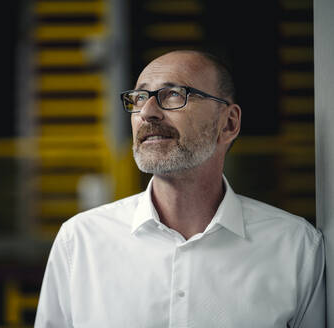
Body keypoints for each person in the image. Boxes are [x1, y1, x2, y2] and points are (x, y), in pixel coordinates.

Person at [34, 50, 325, 327]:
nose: (147, 112)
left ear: (229, 123)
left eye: (173, 95)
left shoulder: (296, 246)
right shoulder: (80, 242)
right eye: (139, 97)